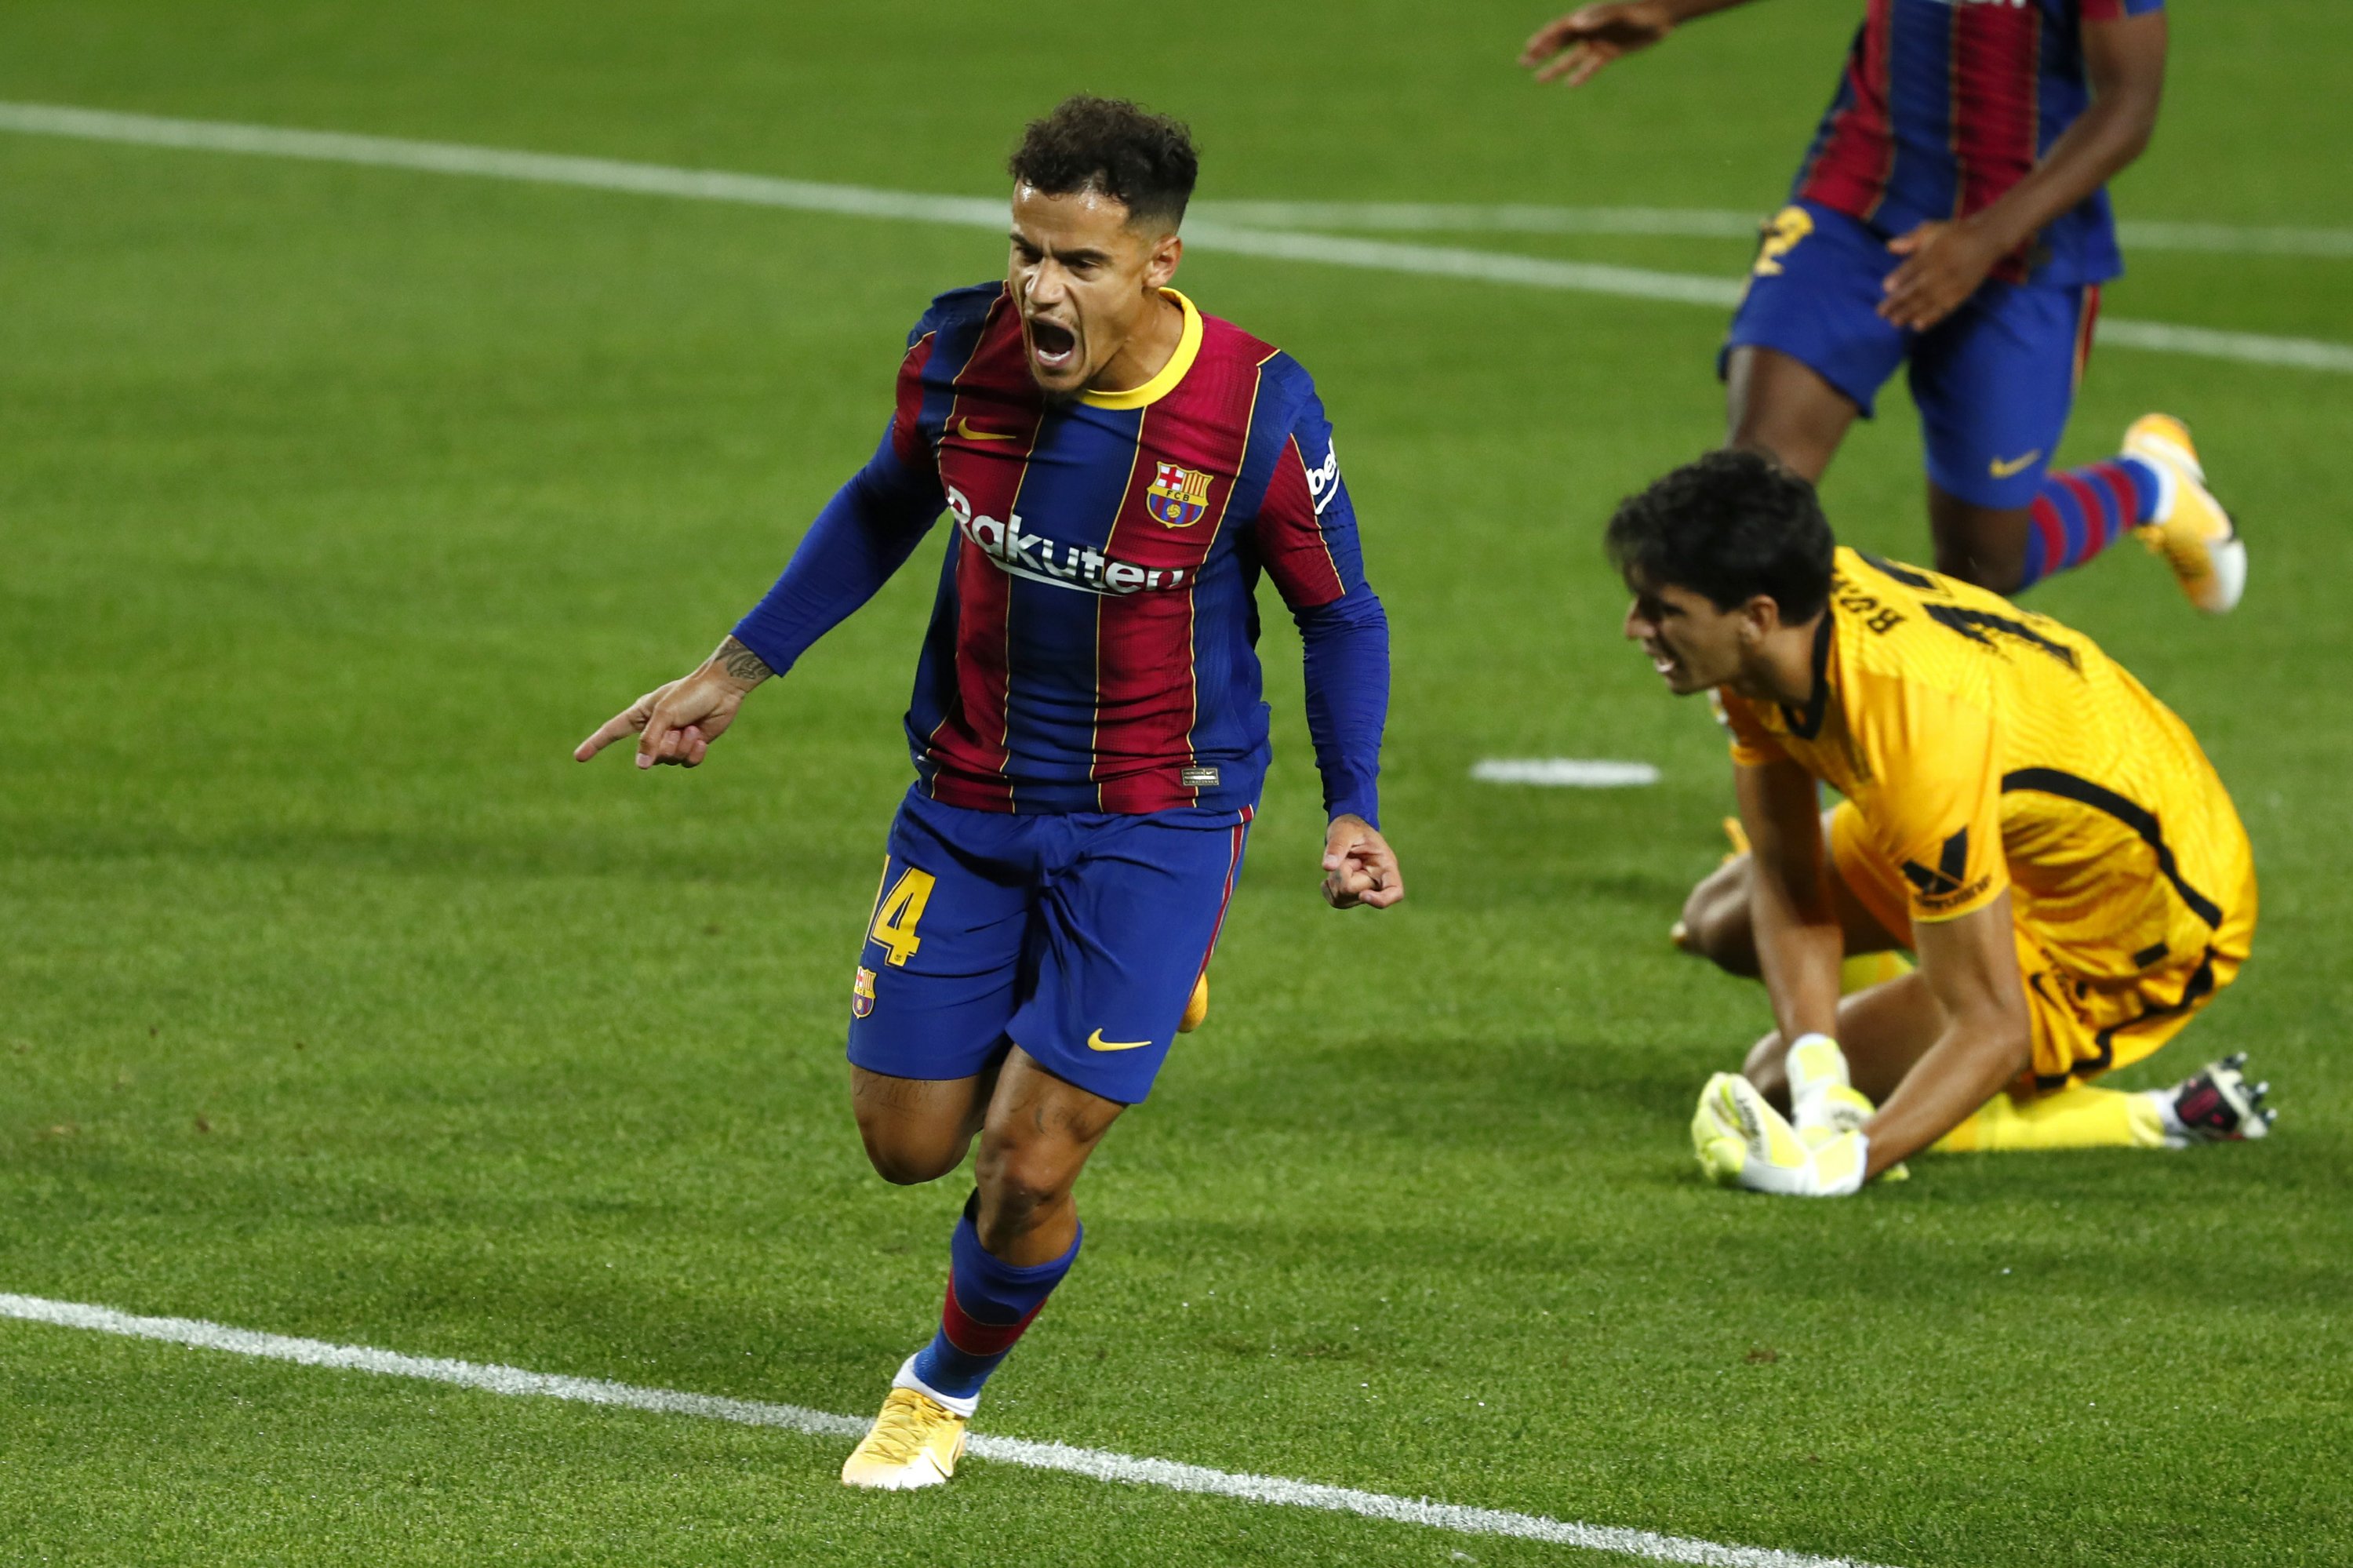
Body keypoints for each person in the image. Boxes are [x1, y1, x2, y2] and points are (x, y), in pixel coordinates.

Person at [576, 96, 1402, 1479]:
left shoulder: (1256, 408)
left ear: (1160, 262)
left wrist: (1353, 804)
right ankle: (1122, 980)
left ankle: (939, 1386)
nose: (1040, 289)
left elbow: (1340, 613)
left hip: (1159, 810)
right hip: (966, 796)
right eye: (1026, 250)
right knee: (907, 1146)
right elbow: (885, 497)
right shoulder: (957, 353)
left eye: (1079, 261)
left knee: (1026, 1158)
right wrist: (740, 665)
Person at [1608, 451, 2267, 1196]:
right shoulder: (1776, 635)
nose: (1635, 627)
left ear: (1756, 618)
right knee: (1719, 923)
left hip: (2138, 919)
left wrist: (1839, 1163)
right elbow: (1788, 880)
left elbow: (1993, 1028)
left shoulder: (1920, 751)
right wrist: (1823, 1080)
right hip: (2022, 813)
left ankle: (2153, 1116)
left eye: (1662, 609)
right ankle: (1909, 1035)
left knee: (1775, 1079)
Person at [1522, 0, 2246, 611]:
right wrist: (1665, 9)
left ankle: (2149, 486)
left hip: (2025, 246)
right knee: (1753, 493)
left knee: (1983, 565)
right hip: (1856, 206)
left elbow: (2129, 107)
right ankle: (1777, 714)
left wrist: (1983, 239)